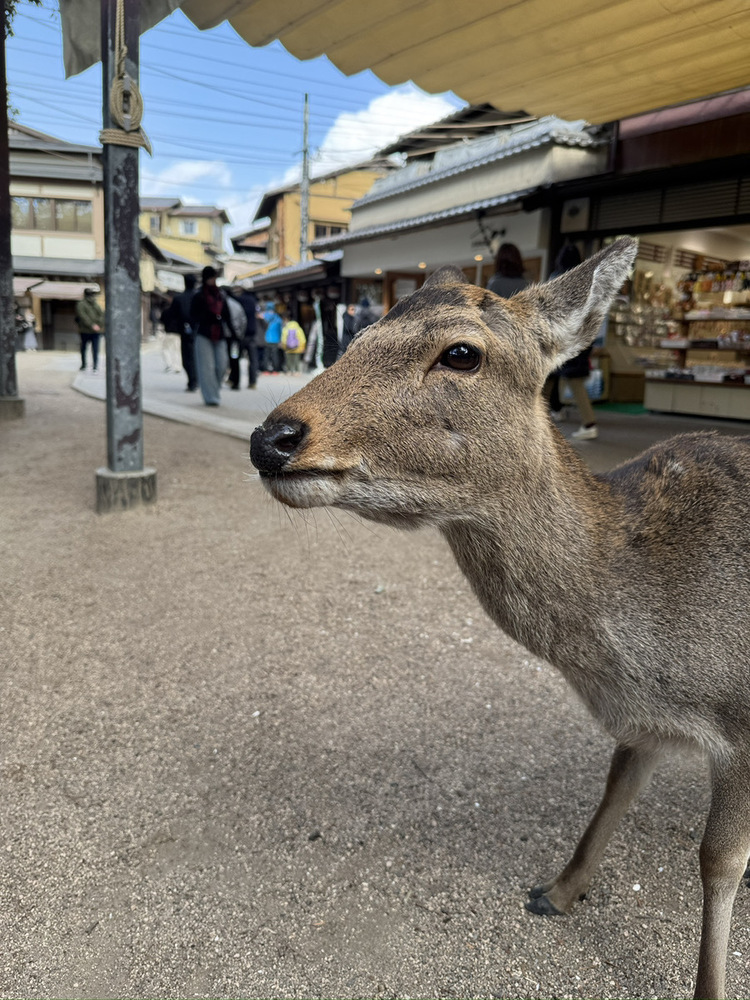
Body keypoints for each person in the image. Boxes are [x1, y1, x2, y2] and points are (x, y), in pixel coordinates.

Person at [547, 244, 599, 441]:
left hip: (560, 336)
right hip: (582, 335)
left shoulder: (556, 279)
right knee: (566, 379)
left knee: (552, 378)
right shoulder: (588, 280)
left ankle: (589, 423)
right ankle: (551, 416)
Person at [190, 265, 235, 406]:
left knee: (222, 365)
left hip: (220, 334)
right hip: (203, 333)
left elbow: (227, 315)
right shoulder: (198, 295)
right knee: (206, 367)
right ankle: (211, 397)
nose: (213, 280)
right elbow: (193, 316)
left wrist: (233, 334)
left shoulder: (221, 295)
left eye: (214, 277)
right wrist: (209, 318)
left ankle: (214, 389)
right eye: (210, 277)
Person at [173, 274, 199, 392]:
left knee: (187, 358)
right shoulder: (199, 296)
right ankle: (196, 380)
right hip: (199, 331)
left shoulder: (178, 298)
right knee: (197, 357)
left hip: (184, 331)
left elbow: (173, 315)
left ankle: (192, 381)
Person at [75, 287, 104, 372]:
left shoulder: (82, 304)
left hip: (85, 330)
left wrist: (94, 325)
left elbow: (83, 316)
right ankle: (94, 366)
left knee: (84, 348)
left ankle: (85, 365)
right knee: (94, 349)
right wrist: (97, 325)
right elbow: (101, 315)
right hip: (92, 330)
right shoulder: (95, 303)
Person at [236, 286, 260, 388]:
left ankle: (234, 381)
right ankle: (253, 382)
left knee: (236, 357)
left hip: (241, 334)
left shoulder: (239, 300)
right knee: (253, 359)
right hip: (252, 333)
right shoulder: (254, 301)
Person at [224, 290, 248, 390]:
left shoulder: (222, 303)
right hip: (236, 337)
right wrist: (240, 334)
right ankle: (235, 381)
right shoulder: (237, 305)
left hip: (224, 336)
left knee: (225, 358)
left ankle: (229, 379)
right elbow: (243, 320)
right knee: (235, 358)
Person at [159, 293, 183, 374]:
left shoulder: (165, 311)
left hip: (168, 333)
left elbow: (161, 321)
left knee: (165, 349)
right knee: (177, 350)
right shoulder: (179, 311)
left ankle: (169, 364)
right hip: (177, 334)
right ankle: (177, 367)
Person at [263, 303, 283, 373]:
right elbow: (280, 330)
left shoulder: (265, 316)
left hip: (267, 339)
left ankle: (265, 370)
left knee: (266, 355)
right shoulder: (278, 319)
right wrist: (280, 339)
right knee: (275, 355)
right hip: (276, 339)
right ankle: (275, 370)